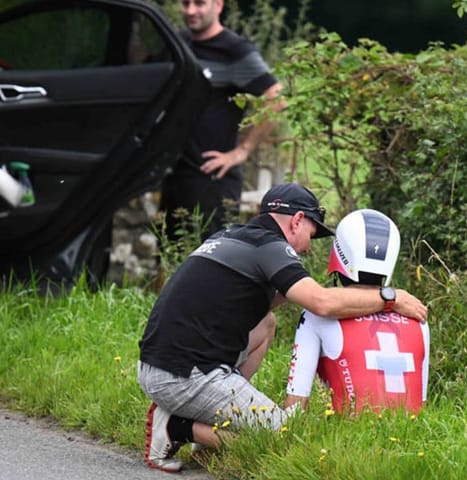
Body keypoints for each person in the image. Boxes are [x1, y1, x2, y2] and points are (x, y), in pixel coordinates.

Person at [137, 183, 428, 472]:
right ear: (298, 220)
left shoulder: (233, 236)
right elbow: (322, 303)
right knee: (282, 438)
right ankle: (178, 426)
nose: (308, 247)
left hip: (163, 363)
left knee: (265, 323)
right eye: (312, 234)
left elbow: (293, 298)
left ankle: (204, 428)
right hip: (182, 376)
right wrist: (390, 298)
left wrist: (350, 300)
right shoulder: (270, 248)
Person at [160, 0, 285, 242]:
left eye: (199, 3)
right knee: (166, 258)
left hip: (213, 179)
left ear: (218, 5)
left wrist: (242, 151)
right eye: (185, 4)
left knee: (208, 260)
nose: (191, 11)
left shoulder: (234, 50)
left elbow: (276, 99)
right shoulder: (176, 44)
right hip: (175, 175)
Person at [284, 209, 430, 414]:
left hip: (350, 438)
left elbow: (295, 408)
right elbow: (420, 404)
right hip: (413, 437)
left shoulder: (315, 315)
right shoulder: (417, 315)